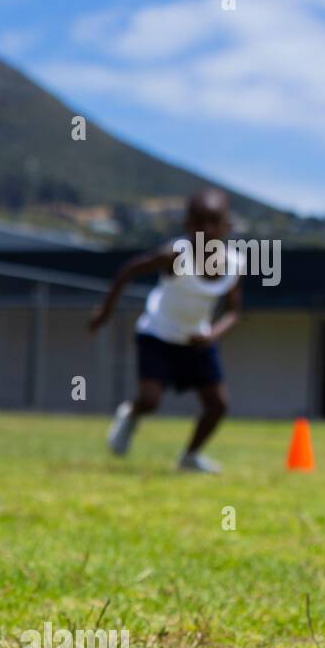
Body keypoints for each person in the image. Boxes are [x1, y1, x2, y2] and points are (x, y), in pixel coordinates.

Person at [88, 188, 244, 473]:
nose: (206, 230)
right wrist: (106, 311)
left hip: (196, 339)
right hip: (158, 334)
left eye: (214, 222)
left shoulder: (234, 264)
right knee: (150, 400)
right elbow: (129, 271)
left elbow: (233, 312)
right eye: (199, 222)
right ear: (187, 225)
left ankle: (190, 456)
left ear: (226, 226)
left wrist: (213, 334)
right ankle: (131, 416)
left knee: (218, 404)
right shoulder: (174, 255)